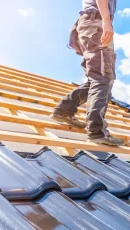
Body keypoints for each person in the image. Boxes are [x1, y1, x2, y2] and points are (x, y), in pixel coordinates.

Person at [51, 0, 124, 146]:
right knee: (103, 78)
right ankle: (97, 133)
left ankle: (64, 111)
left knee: (96, 79)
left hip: (88, 26)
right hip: (95, 24)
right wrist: (106, 20)